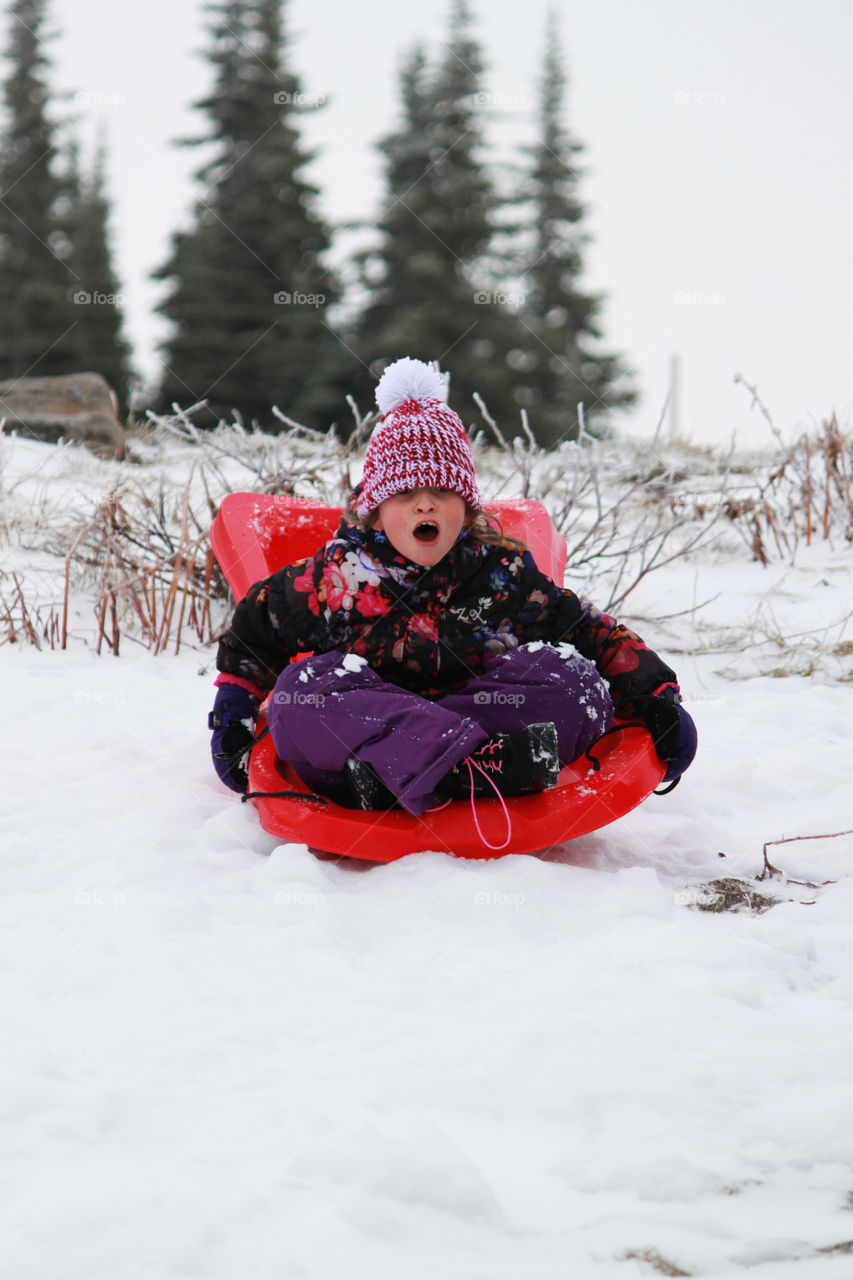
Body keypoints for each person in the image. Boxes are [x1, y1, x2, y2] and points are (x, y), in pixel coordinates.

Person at [209, 357, 696, 821]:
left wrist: (658, 697)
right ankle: (472, 766)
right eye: (405, 495)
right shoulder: (336, 576)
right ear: (375, 510)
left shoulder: (501, 572)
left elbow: (589, 631)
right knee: (301, 695)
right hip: (380, 720)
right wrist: (233, 714)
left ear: (466, 507)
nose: (426, 506)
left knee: (573, 679)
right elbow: (255, 633)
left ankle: (420, 771)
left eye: (441, 493)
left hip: (480, 711)